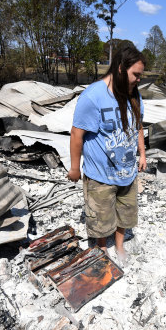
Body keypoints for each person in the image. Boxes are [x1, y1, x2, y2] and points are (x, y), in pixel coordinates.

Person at [67, 46, 146, 264]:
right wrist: (74, 168)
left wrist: (142, 154)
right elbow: (76, 134)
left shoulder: (134, 94)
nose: (139, 80)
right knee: (100, 219)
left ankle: (119, 245)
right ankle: (102, 249)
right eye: (136, 75)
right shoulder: (93, 97)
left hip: (127, 173)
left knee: (125, 213)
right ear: (121, 69)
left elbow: (138, 124)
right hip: (100, 176)